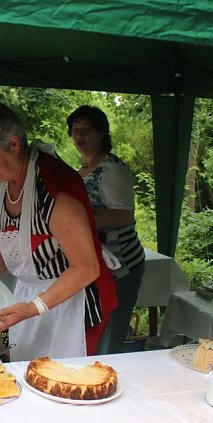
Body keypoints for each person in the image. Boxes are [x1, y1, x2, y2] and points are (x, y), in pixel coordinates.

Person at [0, 102, 118, 361]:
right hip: (30, 298)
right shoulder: (1, 185)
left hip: (73, 302)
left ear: (14, 144)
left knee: (66, 381)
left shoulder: (55, 188)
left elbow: (86, 268)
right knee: (28, 375)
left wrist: (34, 306)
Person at [67, 105, 145, 354]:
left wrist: (81, 220)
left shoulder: (112, 170)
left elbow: (123, 216)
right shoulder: (82, 171)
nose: (79, 136)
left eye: (86, 131)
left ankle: (108, 374)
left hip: (121, 265)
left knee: (111, 330)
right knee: (94, 327)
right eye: (75, 131)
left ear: (101, 133)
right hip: (97, 264)